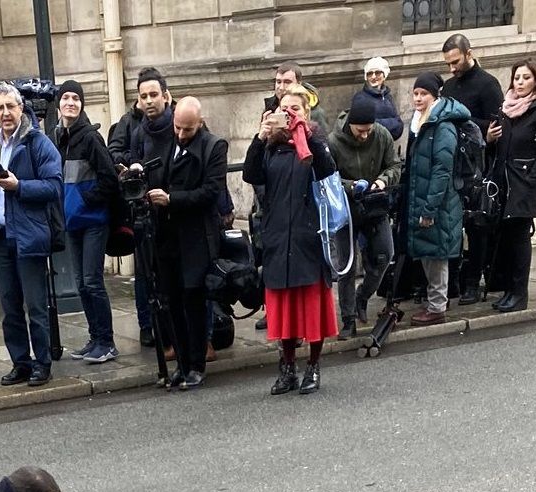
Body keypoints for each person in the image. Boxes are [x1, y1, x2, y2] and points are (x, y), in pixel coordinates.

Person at [0, 82, 63, 388]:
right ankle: (20, 362)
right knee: (10, 306)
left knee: (35, 305)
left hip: (29, 236)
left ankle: (42, 363)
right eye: (0, 107)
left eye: (11, 106)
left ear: (22, 108)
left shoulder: (37, 142)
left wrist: (18, 186)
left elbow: (55, 186)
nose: (6, 113)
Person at [243, 85, 338, 396]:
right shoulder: (270, 146)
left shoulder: (315, 141)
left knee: (311, 309)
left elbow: (328, 170)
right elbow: (250, 174)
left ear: (306, 112)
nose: (289, 114)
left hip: (308, 235)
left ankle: (312, 365)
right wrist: (260, 137)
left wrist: (305, 134)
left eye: (295, 108)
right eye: (284, 108)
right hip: (277, 234)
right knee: (283, 308)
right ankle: (287, 367)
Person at [137, 96, 226, 390]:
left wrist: (172, 199)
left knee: (193, 301)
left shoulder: (213, 146)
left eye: (187, 130)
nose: (180, 134)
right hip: (166, 235)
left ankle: (197, 364)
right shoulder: (167, 141)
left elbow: (210, 192)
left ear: (199, 124)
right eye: (177, 127)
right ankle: (182, 363)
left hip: (196, 237)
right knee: (170, 300)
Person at [53, 80, 119, 365]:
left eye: (75, 98)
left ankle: (107, 341)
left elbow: (110, 179)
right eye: (66, 97)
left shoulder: (90, 137)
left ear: (82, 104)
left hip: (92, 220)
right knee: (81, 283)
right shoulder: (59, 137)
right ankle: (95, 338)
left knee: (93, 281)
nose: (70, 102)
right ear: (58, 104)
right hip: (73, 222)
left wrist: (84, 199)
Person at [486, 60, 536, 314]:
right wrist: (490, 140)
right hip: (504, 180)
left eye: (526, 78)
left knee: (519, 236)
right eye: (517, 78)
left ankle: (520, 293)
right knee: (505, 236)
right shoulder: (505, 108)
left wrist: (531, 180)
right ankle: (508, 289)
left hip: (525, 181)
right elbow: (498, 146)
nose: (520, 83)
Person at [108, 66, 172, 347]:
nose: (148, 100)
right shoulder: (131, 127)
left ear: (165, 96)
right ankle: (148, 324)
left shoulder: (179, 122)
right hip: (144, 211)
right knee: (144, 272)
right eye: (143, 95)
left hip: (173, 209)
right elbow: (118, 154)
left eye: (153, 94)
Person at [327, 92, 402, 335]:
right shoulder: (334, 142)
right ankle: (348, 318)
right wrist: (351, 186)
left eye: (369, 129)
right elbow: (329, 178)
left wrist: (382, 180)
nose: (365, 134)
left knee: (384, 254)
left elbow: (394, 165)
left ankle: (364, 295)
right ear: (350, 125)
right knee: (346, 267)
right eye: (361, 130)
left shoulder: (381, 135)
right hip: (346, 209)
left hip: (374, 205)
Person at [440, 34, 504, 305]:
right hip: (454, 164)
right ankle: (454, 280)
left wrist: (468, 125)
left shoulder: (488, 84)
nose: (452, 68)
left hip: (479, 168)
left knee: (477, 227)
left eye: (455, 61)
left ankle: (472, 282)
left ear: (469, 53)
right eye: (448, 63)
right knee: (454, 225)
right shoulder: (449, 85)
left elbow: (495, 125)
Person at [405, 72, 469, 327]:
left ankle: (437, 306)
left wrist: (429, 207)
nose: (418, 98)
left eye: (424, 94)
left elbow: (442, 170)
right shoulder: (422, 122)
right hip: (423, 197)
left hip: (438, 202)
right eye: (416, 93)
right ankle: (434, 301)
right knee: (428, 252)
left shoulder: (442, 126)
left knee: (436, 254)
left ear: (435, 96)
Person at [357, 57, 404, 142]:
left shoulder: (388, 96)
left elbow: (399, 126)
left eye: (377, 73)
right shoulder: (361, 99)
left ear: (384, 75)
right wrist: (391, 124)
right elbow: (366, 127)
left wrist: (380, 124)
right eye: (370, 73)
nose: (373, 77)